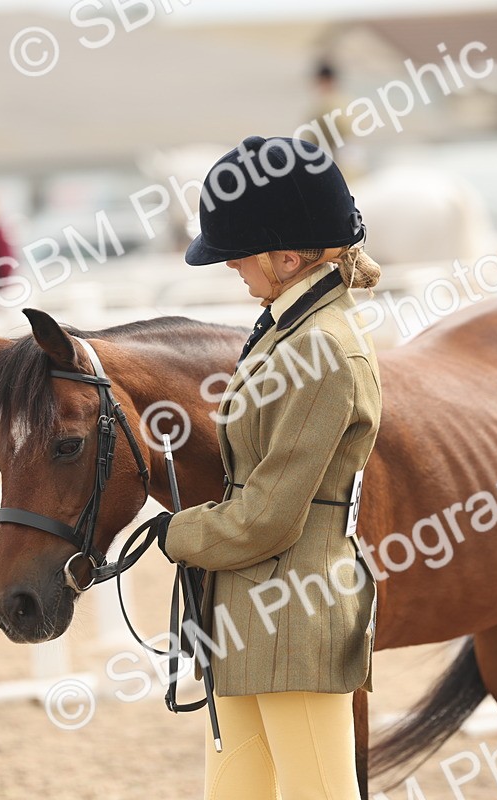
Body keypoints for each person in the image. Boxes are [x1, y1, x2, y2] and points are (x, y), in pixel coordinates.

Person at [145, 135, 383, 799]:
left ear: (286, 256)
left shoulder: (325, 351)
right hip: (245, 617)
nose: (230, 269)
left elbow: (271, 517)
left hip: (296, 619)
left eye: (238, 255)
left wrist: (173, 534)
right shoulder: (284, 331)